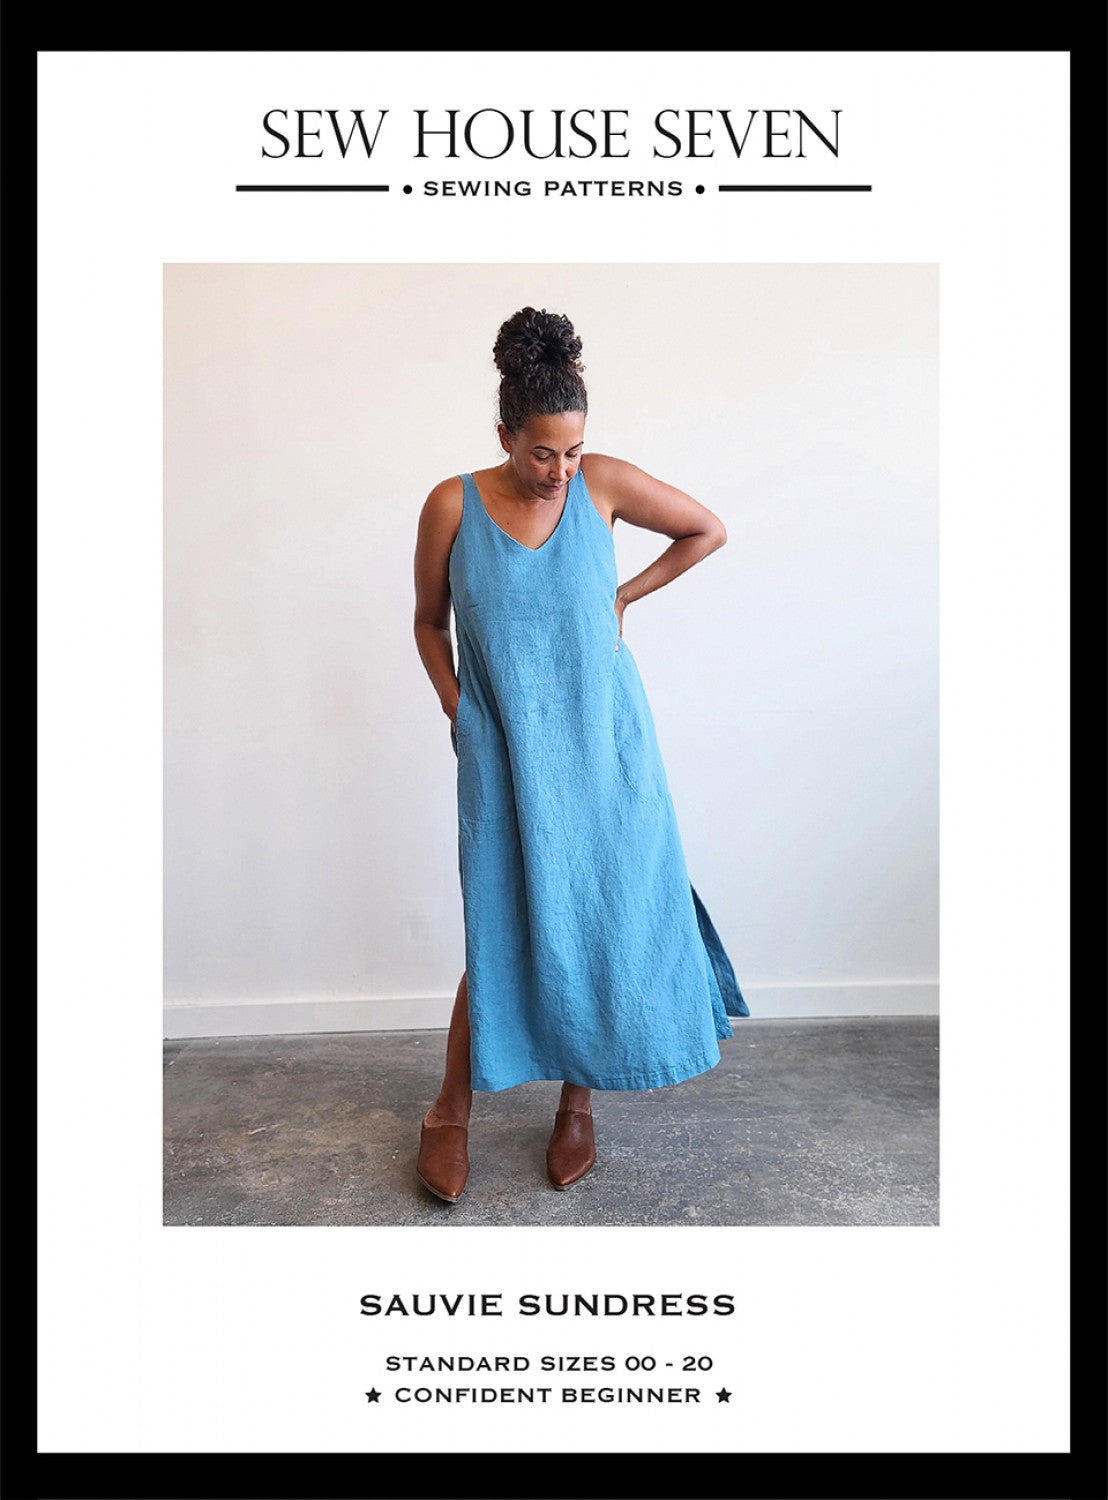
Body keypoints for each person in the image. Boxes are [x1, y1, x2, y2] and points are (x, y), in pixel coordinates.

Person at [411, 306, 748, 1204]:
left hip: (606, 747)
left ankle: (577, 1105)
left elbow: (706, 529)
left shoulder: (602, 486)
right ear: (503, 436)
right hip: (504, 750)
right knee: (502, 922)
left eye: (572, 451)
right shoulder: (452, 504)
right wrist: (457, 707)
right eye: (540, 454)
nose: (559, 471)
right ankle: (448, 1112)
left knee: (599, 913)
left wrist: (624, 595)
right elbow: (427, 623)